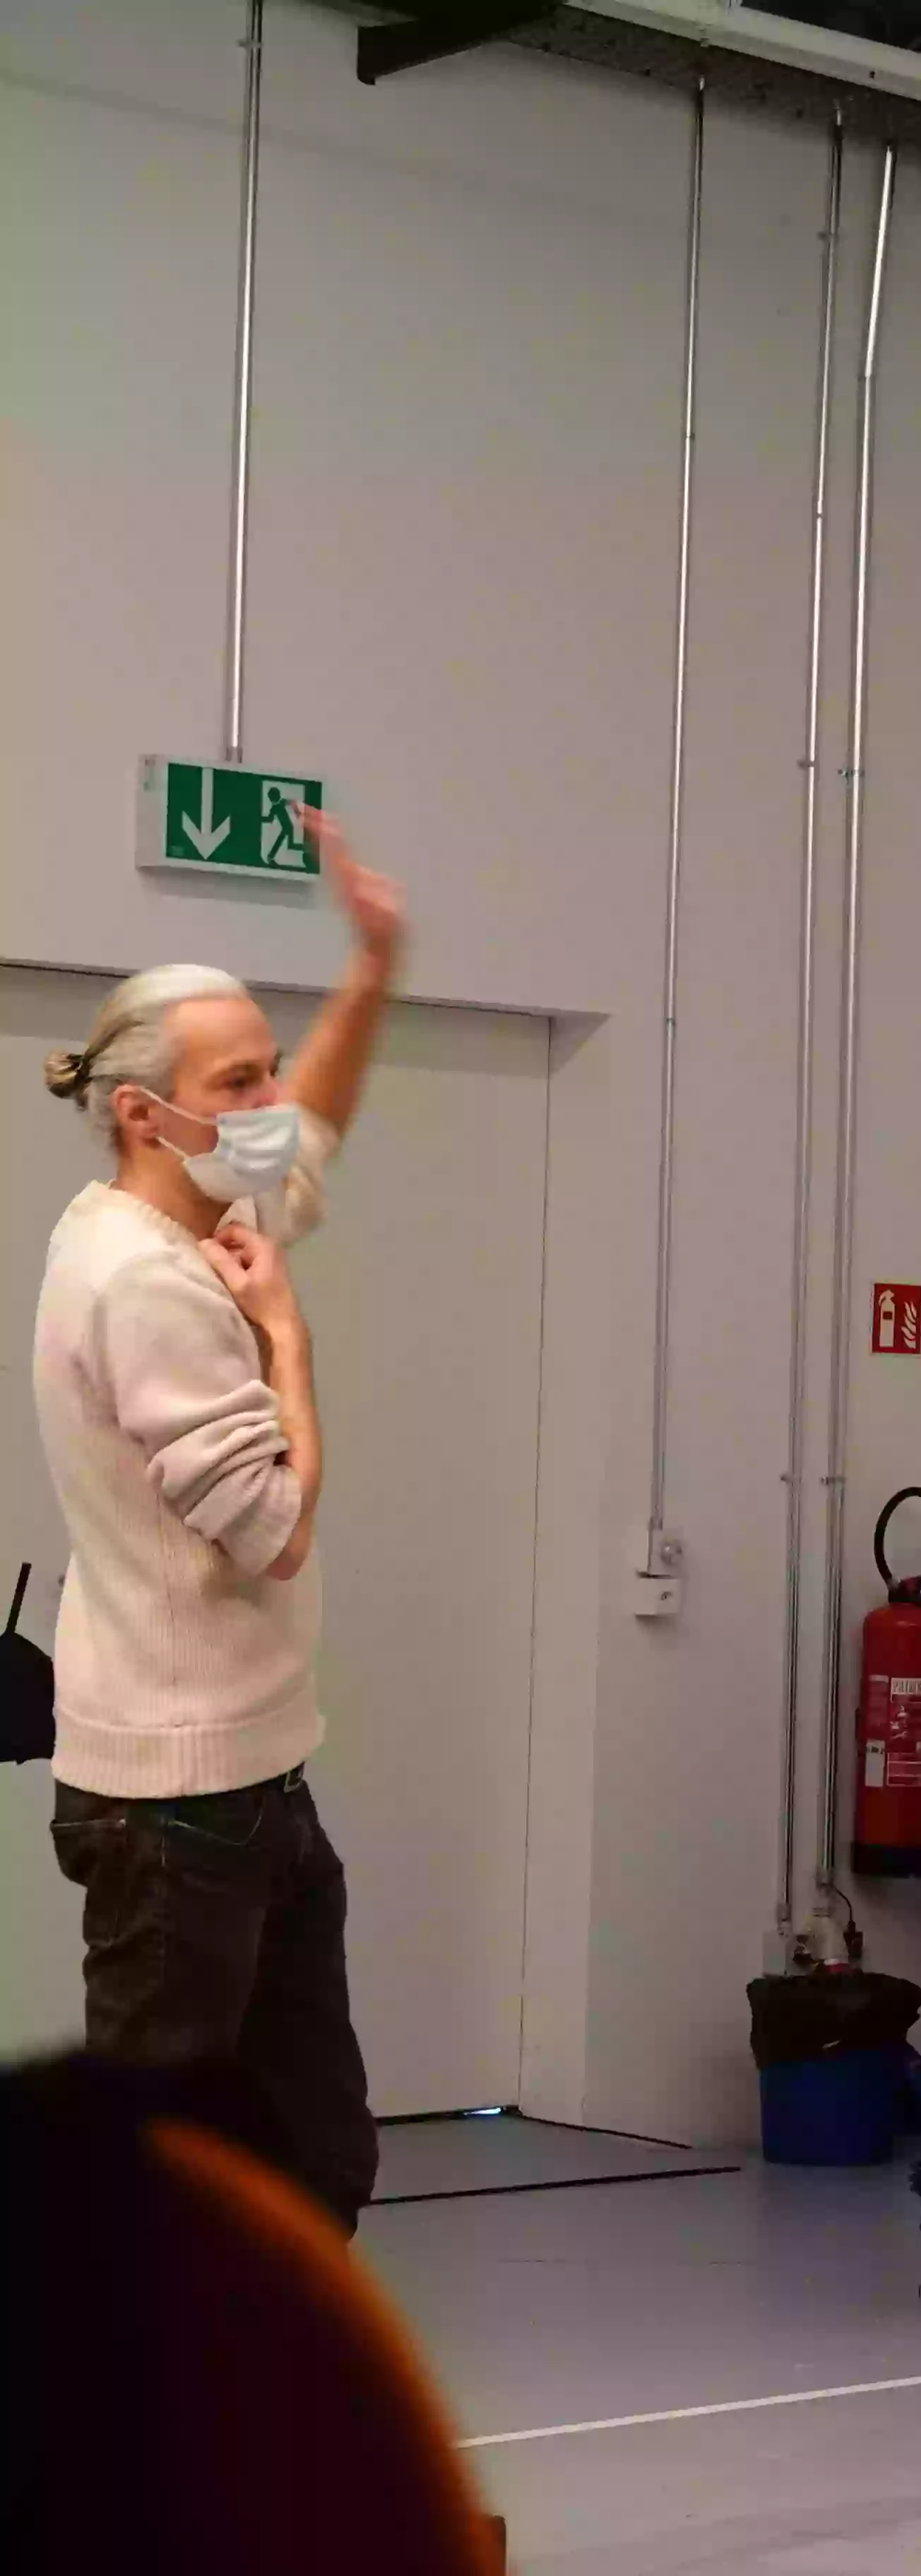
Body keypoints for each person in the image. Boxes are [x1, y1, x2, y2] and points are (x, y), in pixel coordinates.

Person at [31, 809, 405, 2234]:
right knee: (161, 2170)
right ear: (145, 1112)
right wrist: (289, 1342)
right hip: (177, 1803)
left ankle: (267, 2354)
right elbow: (275, 1527)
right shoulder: (150, 1282)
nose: (266, 1099)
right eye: (236, 1079)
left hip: (255, 1778)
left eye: (265, 1064)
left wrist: (369, 971)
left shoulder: (197, 1223)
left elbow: (311, 1132)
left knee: (314, 2153)